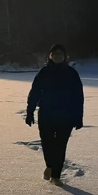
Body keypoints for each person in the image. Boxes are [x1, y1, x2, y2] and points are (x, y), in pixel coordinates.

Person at [24, 44, 84, 186]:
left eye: (60, 54)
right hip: (46, 114)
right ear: (50, 56)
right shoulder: (44, 72)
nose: (57, 56)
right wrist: (29, 112)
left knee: (60, 146)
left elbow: (78, 97)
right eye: (54, 54)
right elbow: (35, 92)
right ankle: (50, 166)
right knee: (47, 144)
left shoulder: (71, 73)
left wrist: (78, 117)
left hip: (66, 116)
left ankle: (56, 176)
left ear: (65, 57)